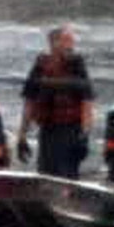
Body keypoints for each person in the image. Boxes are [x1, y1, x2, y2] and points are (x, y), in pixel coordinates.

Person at [18, 25, 94, 179]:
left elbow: (87, 102)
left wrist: (85, 135)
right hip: (48, 129)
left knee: (67, 173)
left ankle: (67, 200)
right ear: (53, 43)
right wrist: (22, 136)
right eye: (66, 40)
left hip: (71, 130)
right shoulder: (40, 66)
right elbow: (29, 102)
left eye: (72, 41)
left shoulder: (77, 65)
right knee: (46, 173)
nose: (71, 45)